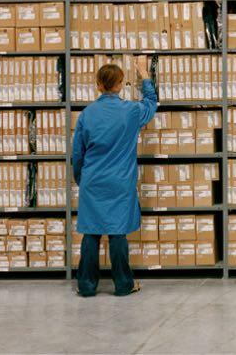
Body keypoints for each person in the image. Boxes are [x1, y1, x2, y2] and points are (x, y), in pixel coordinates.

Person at [72, 57, 158, 297]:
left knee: (91, 233)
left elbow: (77, 153)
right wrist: (143, 73)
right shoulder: (131, 111)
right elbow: (151, 103)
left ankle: (87, 287)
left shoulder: (87, 115)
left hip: (93, 181)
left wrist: (81, 179)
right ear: (120, 84)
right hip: (120, 182)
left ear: (98, 84)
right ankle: (123, 284)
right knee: (118, 233)